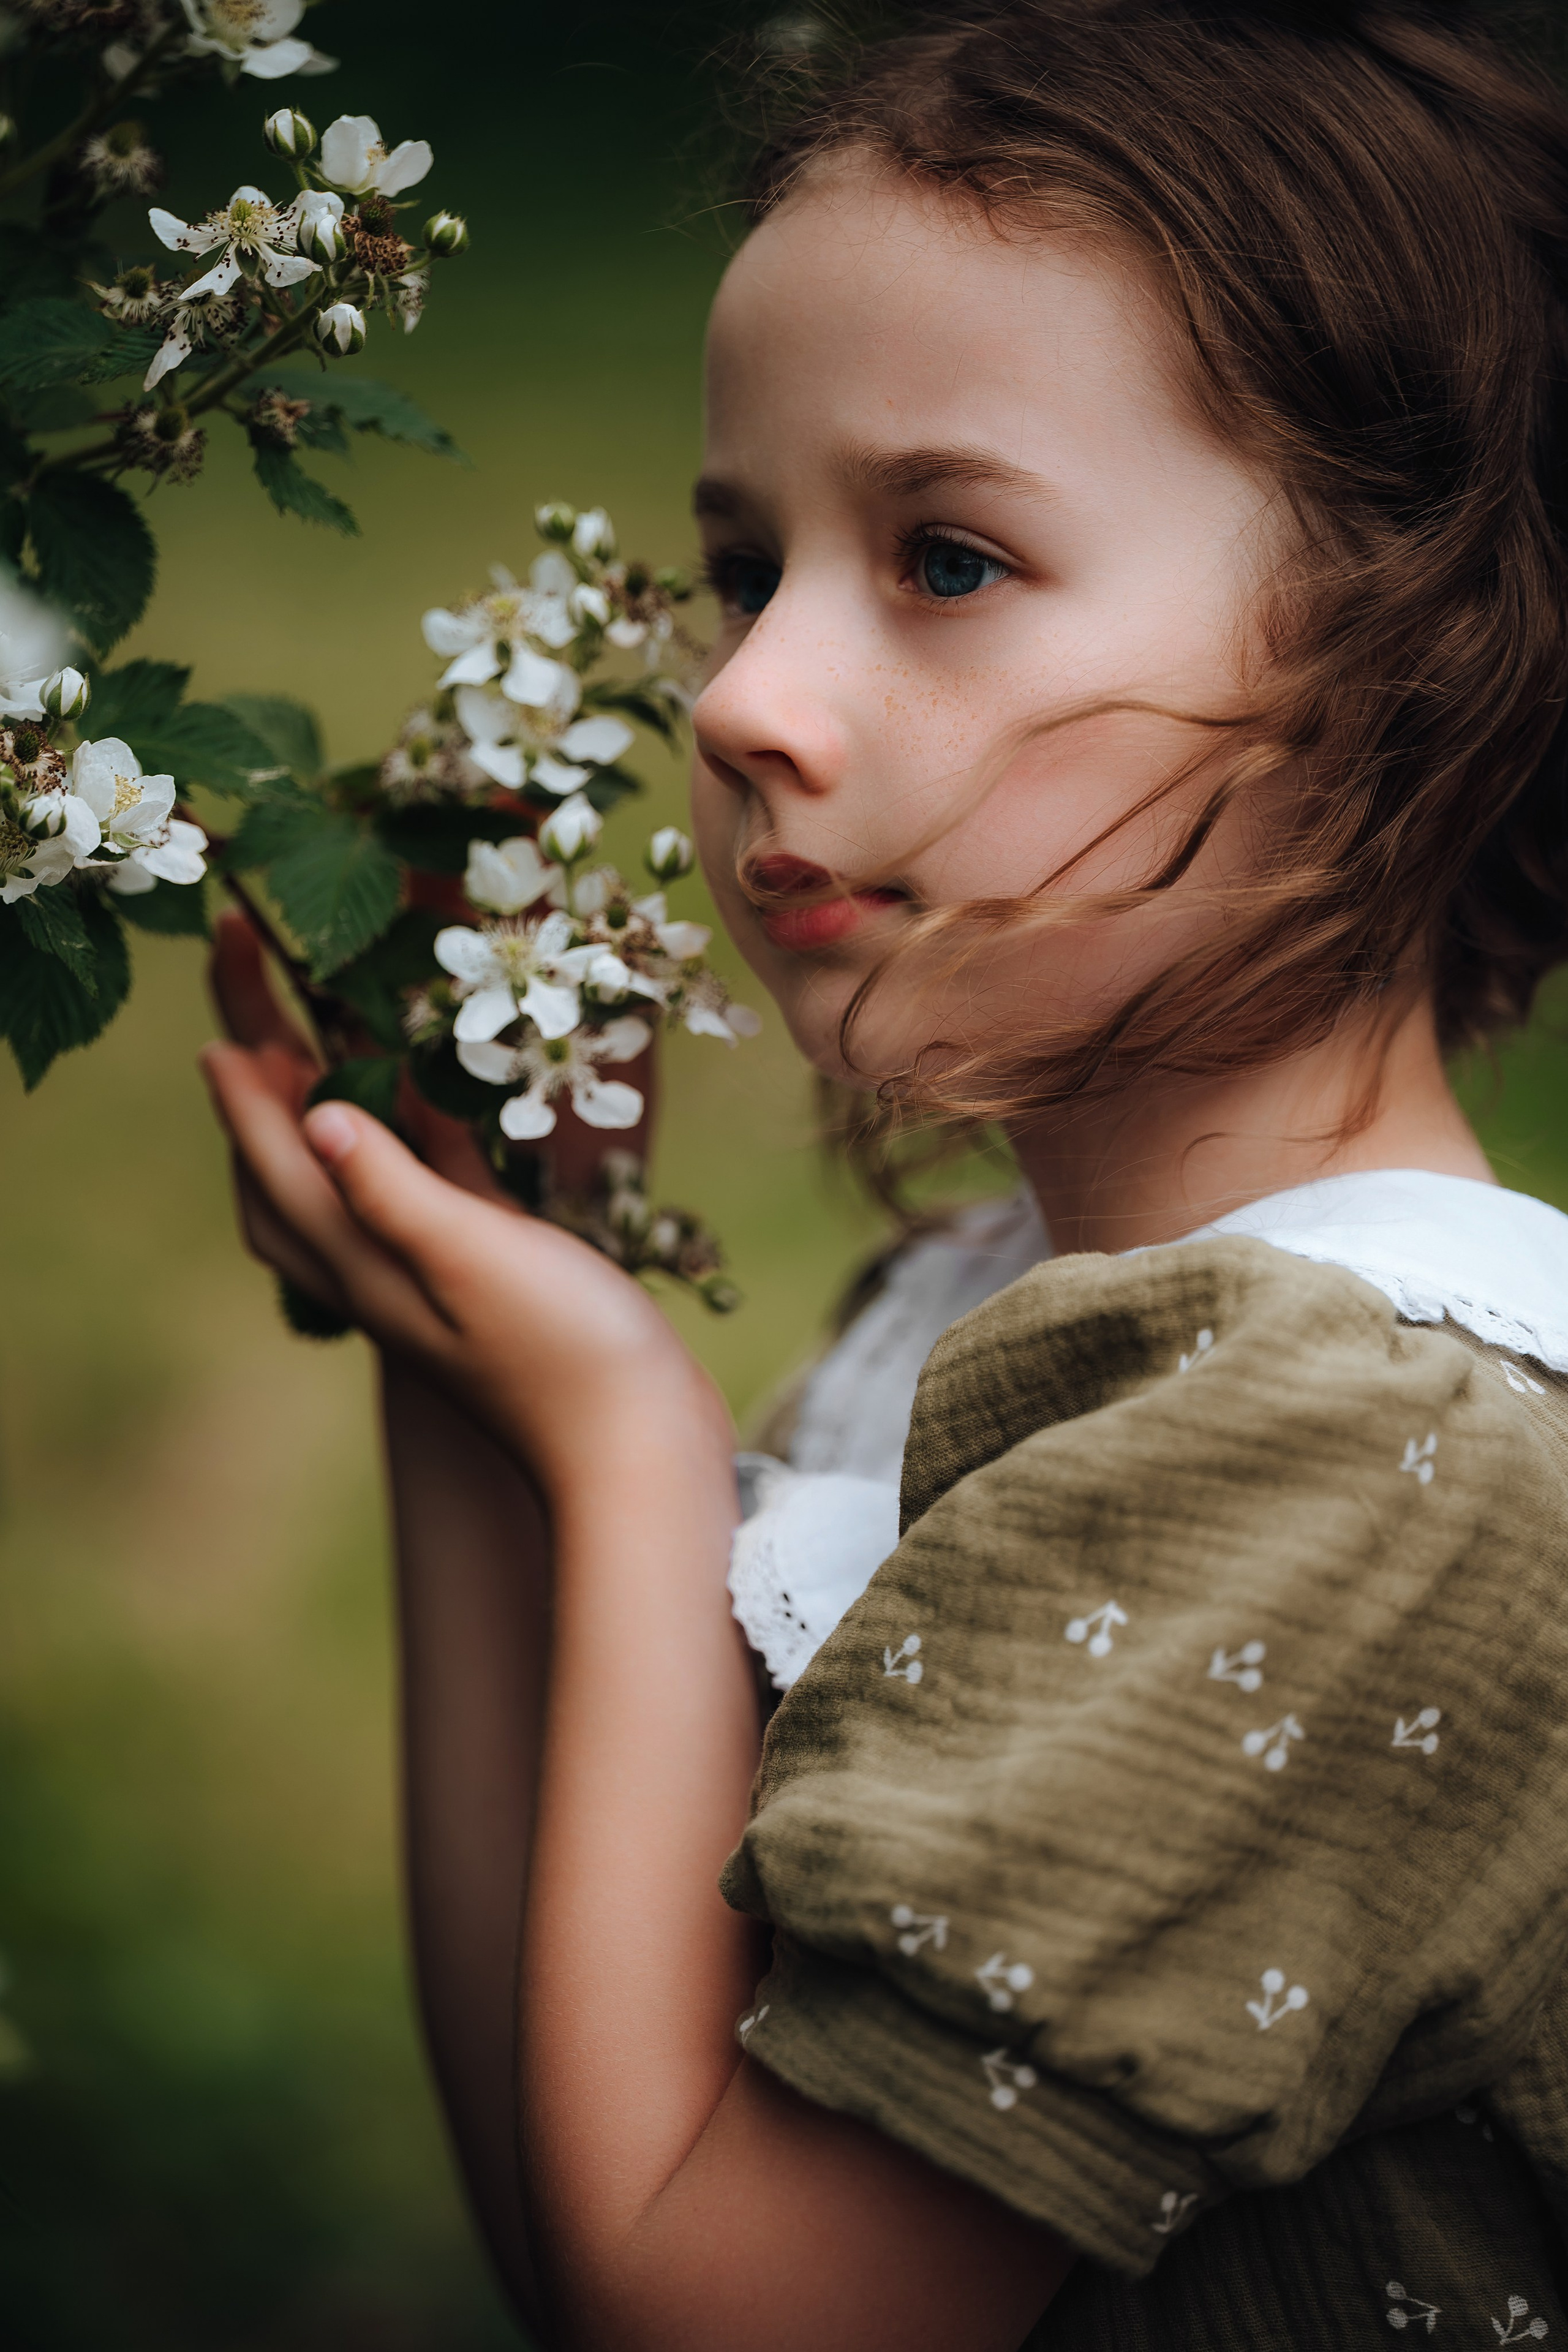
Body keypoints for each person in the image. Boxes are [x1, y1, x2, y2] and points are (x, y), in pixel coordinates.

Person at [199, 3, 1568, 2343]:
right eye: (747, 567)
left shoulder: (1370, 1455)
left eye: (945, 556)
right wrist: (471, 1334)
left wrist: (626, 1442)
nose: (740, 700)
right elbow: (589, 2200)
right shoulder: (979, 1313)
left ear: (1405, 670)